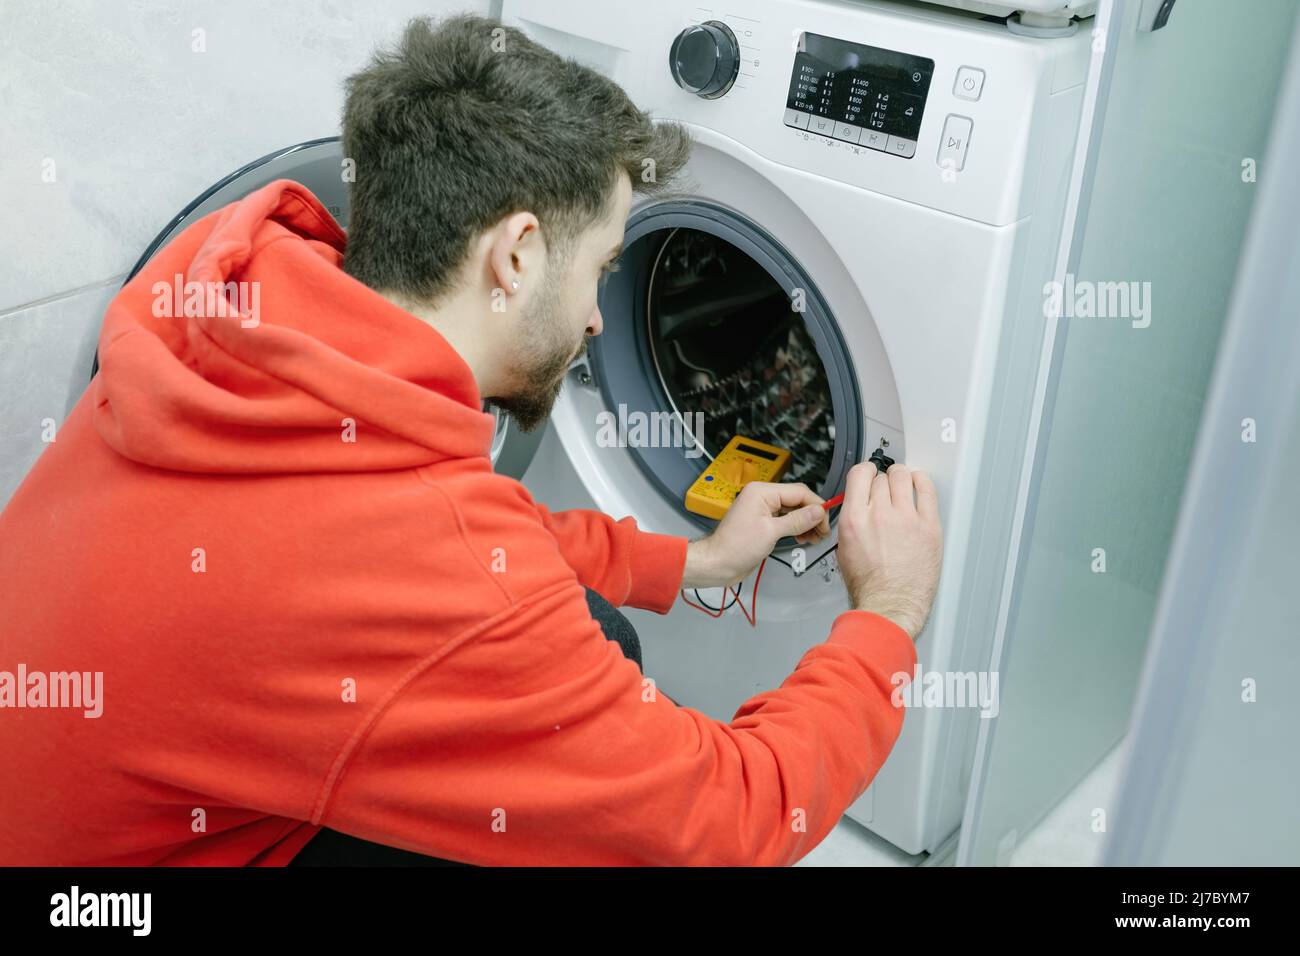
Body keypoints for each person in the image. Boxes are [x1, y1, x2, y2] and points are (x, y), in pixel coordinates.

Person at [0, 15, 942, 866]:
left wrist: (691, 562)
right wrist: (886, 615)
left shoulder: (238, 320)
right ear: (517, 255)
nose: (602, 325)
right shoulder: (427, 567)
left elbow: (451, 545)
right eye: (604, 269)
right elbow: (732, 823)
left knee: (598, 634)